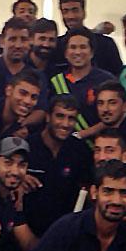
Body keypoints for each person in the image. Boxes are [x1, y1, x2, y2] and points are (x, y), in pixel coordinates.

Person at [23, 94, 92, 237]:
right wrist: (19, 177)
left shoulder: (81, 151)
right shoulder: (26, 147)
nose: (65, 124)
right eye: (60, 116)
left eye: (71, 118)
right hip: (25, 230)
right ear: (48, 117)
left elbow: (88, 190)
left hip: (65, 233)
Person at [49, 27, 116, 141]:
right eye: (73, 47)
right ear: (65, 53)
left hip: (98, 147)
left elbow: (116, 115)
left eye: (83, 47)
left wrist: (84, 134)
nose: (78, 52)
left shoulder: (106, 80)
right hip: (64, 145)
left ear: (92, 52)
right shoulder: (56, 82)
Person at [54, 0, 123, 75]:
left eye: (75, 10)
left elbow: (118, 77)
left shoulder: (106, 44)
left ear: (84, 12)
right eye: (65, 11)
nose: (70, 16)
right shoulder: (56, 46)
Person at [26, 18, 62, 82]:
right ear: (31, 39)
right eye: (42, 39)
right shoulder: (20, 65)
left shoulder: (58, 70)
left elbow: (61, 91)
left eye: (51, 40)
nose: (46, 44)